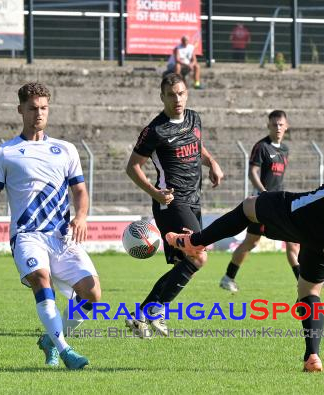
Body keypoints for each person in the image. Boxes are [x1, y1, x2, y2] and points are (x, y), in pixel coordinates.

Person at [167, 103, 324, 373]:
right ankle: (313, 356)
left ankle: (195, 241)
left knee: (250, 207)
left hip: (308, 214)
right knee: (309, 292)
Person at [0, 82, 100, 370]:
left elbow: (80, 191)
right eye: (32, 108)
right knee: (41, 278)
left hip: (61, 236)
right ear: (20, 110)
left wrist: (82, 216)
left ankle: (50, 339)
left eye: (43, 108)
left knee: (92, 295)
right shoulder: (5, 153)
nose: (39, 113)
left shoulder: (66, 150)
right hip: (27, 236)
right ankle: (65, 350)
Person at [125, 72, 223, 338]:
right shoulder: (155, 130)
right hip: (171, 202)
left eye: (180, 93)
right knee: (199, 255)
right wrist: (155, 193)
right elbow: (132, 167)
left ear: (187, 93)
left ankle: (141, 314)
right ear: (162, 97)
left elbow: (197, 147)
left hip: (194, 200)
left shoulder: (193, 118)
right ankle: (157, 309)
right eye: (171, 95)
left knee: (188, 262)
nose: (177, 99)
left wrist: (212, 162)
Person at [220, 110, 300, 293]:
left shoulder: (285, 149)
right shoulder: (261, 147)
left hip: (280, 203)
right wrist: (263, 192)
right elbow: (252, 172)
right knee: (251, 242)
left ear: (286, 126)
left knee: (293, 241)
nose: (278, 128)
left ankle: (302, 281)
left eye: (281, 124)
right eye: (274, 124)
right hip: (263, 204)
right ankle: (228, 277)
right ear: (268, 125)